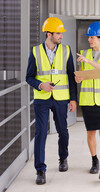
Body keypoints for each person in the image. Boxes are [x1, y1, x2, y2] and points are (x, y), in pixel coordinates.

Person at [25, 17, 77, 185]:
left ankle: (63, 158)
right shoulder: (35, 51)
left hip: (61, 98)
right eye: (58, 33)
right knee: (41, 133)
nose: (61, 36)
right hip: (42, 99)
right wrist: (40, 85)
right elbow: (29, 77)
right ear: (49, 34)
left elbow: (71, 75)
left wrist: (73, 99)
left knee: (63, 130)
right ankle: (40, 170)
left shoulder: (66, 50)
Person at [75, 22, 100, 182]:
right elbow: (82, 76)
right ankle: (94, 160)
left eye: (92, 37)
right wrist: (78, 77)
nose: (89, 40)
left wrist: (88, 61)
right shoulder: (83, 53)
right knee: (90, 132)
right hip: (87, 99)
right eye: (89, 37)